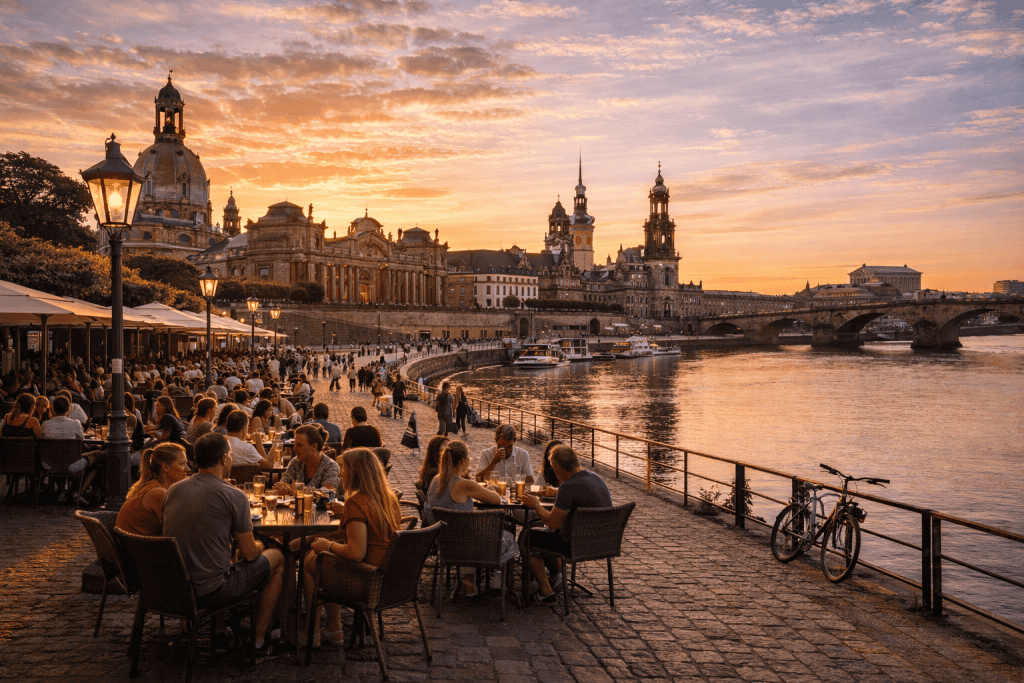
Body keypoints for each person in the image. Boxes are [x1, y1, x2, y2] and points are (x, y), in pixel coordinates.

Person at [163, 433, 285, 661]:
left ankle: (221, 633)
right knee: (277, 557)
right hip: (212, 591)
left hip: (176, 587)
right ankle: (259, 642)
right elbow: (249, 554)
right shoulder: (233, 495)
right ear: (224, 459)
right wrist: (260, 544)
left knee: (220, 557)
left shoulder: (174, 490)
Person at [301, 447, 401, 648]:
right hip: (386, 576)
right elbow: (366, 531)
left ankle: (314, 631)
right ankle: (333, 628)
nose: (341, 474)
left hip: (363, 578)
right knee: (322, 553)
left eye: (344, 469)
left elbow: (355, 552)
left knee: (309, 562)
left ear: (356, 473)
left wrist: (327, 545)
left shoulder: (356, 502)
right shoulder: (388, 498)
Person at [519, 445, 612, 604]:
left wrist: (536, 504)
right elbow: (578, 492)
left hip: (574, 545)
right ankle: (556, 576)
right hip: (601, 543)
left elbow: (552, 523)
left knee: (527, 536)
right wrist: (554, 491)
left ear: (558, 468)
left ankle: (546, 592)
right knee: (544, 536)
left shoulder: (568, 487)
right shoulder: (595, 478)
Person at [424, 440, 517, 595]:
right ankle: (497, 579)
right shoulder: (464, 485)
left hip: (446, 545)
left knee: (465, 529)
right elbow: (495, 499)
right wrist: (492, 489)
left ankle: (468, 581)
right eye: (469, 459)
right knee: (508, 535)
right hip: (471, 548)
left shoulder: (436, 480)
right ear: (462, 461)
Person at [115, 443, 189, 536]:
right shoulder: (157, 493)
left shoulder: (150, 486)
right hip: (139, 548)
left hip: (133, 545)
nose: (188, 469)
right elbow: (177, 529)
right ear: (165, 467)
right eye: (182, 464)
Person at [277, 424, 340, 491]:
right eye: (295, 444)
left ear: (314, 446)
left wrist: (292, 490)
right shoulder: (296, 462)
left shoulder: (331, 466)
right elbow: (281, 486)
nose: (294, 449)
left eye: (299, 445)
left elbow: (326, 495)